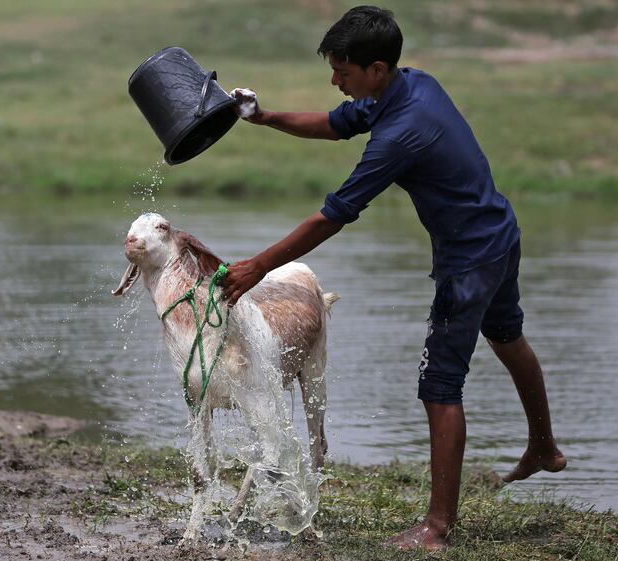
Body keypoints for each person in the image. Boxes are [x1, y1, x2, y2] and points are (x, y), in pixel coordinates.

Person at [221, 5, 566, 551]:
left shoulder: (401, 134)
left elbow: (333, 215)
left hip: (468, 262)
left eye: (344, 72)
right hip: (500, 233)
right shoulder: (411, 86)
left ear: (375, 69)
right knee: (506, 336)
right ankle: (544, 447)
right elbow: (336, 125)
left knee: (439, 387)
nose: (336, 81)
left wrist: (258, 266)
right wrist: (265, 118)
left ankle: (436, 529)